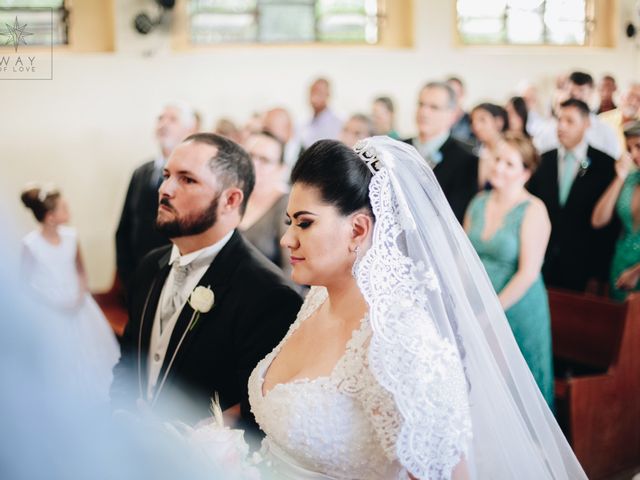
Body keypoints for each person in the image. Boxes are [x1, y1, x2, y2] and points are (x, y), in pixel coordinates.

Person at [248, 137, 586, 479]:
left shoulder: (400, 338)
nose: (287, 239)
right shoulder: (317, 298)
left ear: (358, 229)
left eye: (305, 223)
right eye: (290, 222)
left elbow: (442, 471)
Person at [111, 133, 302, 429]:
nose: (165, 189)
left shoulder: (269, 296)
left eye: (187, 180)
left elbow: (255, 415)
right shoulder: (150, 266)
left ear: (230, 199)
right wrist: (120, 416)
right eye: (167, 175)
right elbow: (129, 361)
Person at [464, 134, 554, 407]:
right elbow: (464, 257)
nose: (499, 167)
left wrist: (490, 312)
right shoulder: (479, 202)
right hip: (478, 303)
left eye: (509, 164)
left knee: (516, 391)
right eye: (497, 159)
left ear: (525, 173)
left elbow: (528, 273)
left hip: (516, 307)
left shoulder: (533, 209)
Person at [20, 185, 120, 401]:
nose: (69, 210)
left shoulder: (71, 237)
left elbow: (80, 270)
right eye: (63, 207)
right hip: (49, 309)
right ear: (50, 217)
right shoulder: (30, 244)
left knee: (90, 352)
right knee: (57, 357)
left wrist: (80, 294)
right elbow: (25, 283)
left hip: (78, 305)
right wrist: (49, 301)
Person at [528, 99, 619, 292]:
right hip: (541, 261)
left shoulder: (605, 165)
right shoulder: (543, 160)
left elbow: (608, 229)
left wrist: (598, 274)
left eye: (570, 121)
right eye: (559, 120)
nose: (561, 126)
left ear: (586, 124)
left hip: (583, 264)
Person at [116, 103, 198, 295]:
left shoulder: (196, 176)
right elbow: (124, 227)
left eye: (172, 119)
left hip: (175, 278)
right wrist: (127, 274)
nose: (164, 124)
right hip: (137, 276)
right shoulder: (141, 172)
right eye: (160, 118)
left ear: (189, 129)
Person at [404, 81, 479, 223]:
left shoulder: (466, 160)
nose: (424, 112)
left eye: (434, 107)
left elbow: (458, 214)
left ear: (452, 115)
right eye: (421, 104)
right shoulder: (398, 149)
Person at [592, 121, 640, 301]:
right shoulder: (630, 180)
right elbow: (598, 220)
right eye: (629, 149)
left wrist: (636, 272)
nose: (634, 154)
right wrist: (620, 177)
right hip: (620, 267)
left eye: (638, 146)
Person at [534, 71, 621, 159]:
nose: (576, 100)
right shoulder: (550, 129)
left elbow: (613, 161)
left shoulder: (605, 131)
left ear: (591, 94)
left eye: (581, 93)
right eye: (572, 94)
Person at [239, 131, 291, 274]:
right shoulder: (231, 196)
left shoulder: (287, 206)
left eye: (264, 160)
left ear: (281, 169)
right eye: (249, 155)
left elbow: (291, 270)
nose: (254, 164)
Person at [471, 103, 509, 188]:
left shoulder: (509, 153)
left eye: (482, 120)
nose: (476, 126)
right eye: (473, 121)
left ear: (499, 122)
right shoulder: (476, 152)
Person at [299, 77, 343, 149]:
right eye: (312, 92)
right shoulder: (302, 123)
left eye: (319, 92)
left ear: (328, 94)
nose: (315, 96)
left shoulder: (339, 123)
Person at [446, 76, 475, 145]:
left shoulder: (471, 120)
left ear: (462, 94)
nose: (452, 98)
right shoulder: (436, 119)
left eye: (455, 93)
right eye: (449, 94)